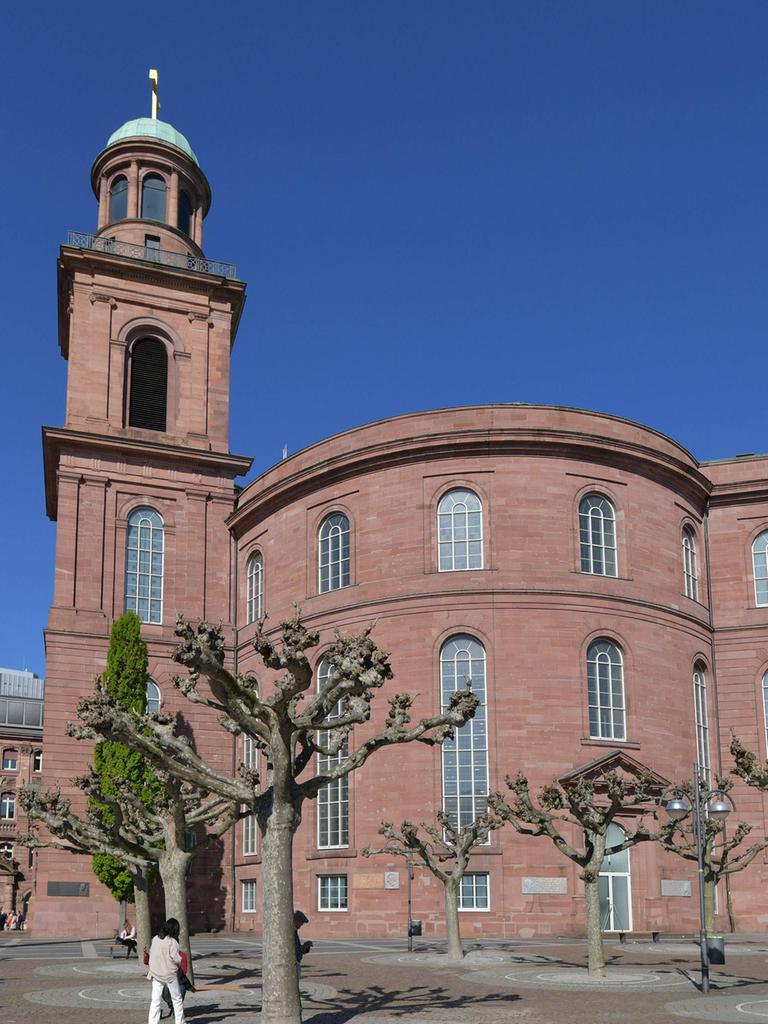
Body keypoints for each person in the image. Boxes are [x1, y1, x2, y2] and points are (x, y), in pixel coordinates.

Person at [147, 918, 186, 1024]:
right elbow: (176, 959)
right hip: (169, 975)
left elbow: (152, 954)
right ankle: (180, 1022)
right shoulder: (172, 942)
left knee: (155, 1000)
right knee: (177, 1000)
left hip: (156, 973)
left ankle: (152, 1022)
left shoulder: (155, 938)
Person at [160, 945, 194, 1020]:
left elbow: (184, 970)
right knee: (164, 991)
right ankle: (172, 1006)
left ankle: (176, 1010)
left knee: (181, 990)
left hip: (180, 980)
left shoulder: (182, 955)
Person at [293, 910, 312, 982]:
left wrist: (306, 948)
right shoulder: (292, 932)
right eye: (301, 923)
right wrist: (304, 946)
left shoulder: (294, 931)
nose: (301, 926)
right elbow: (295, 950)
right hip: (294, 962)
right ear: (296, 921)